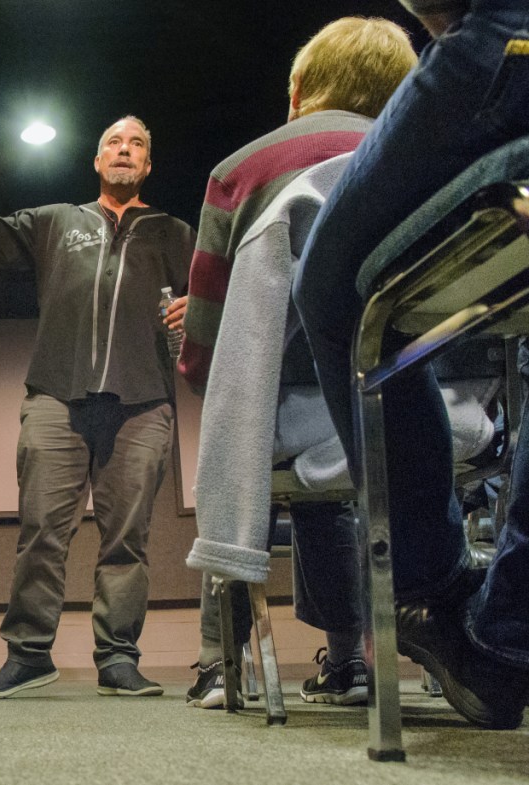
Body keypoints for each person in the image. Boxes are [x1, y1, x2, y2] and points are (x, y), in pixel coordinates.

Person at [0, 116, 196, 698]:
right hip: (56, 395)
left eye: (138, 144)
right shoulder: (56, 221)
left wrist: (200, 306)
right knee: (42, 530)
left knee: (128, 538)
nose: (125, 150)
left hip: (143, 402)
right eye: (113, 144)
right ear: (97, 163)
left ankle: (118, 658)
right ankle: (28, 655)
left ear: (147, 166)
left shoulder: (175, 233)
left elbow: (215, 295)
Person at [293, 0, 529, 729]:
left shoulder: (252, 172)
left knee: (334, 289)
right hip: (476, 410)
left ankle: (434, 588)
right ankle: (508, 630)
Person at [177, 17, 418, 709]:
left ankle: (220, 663)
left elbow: (210, 341)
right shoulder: (434, 151)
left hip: (293, 418)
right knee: (357, 459)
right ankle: (355, 660)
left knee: (241, 434)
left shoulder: (243, 169)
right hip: (440, 415)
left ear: (299, 89)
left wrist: (209, 381)